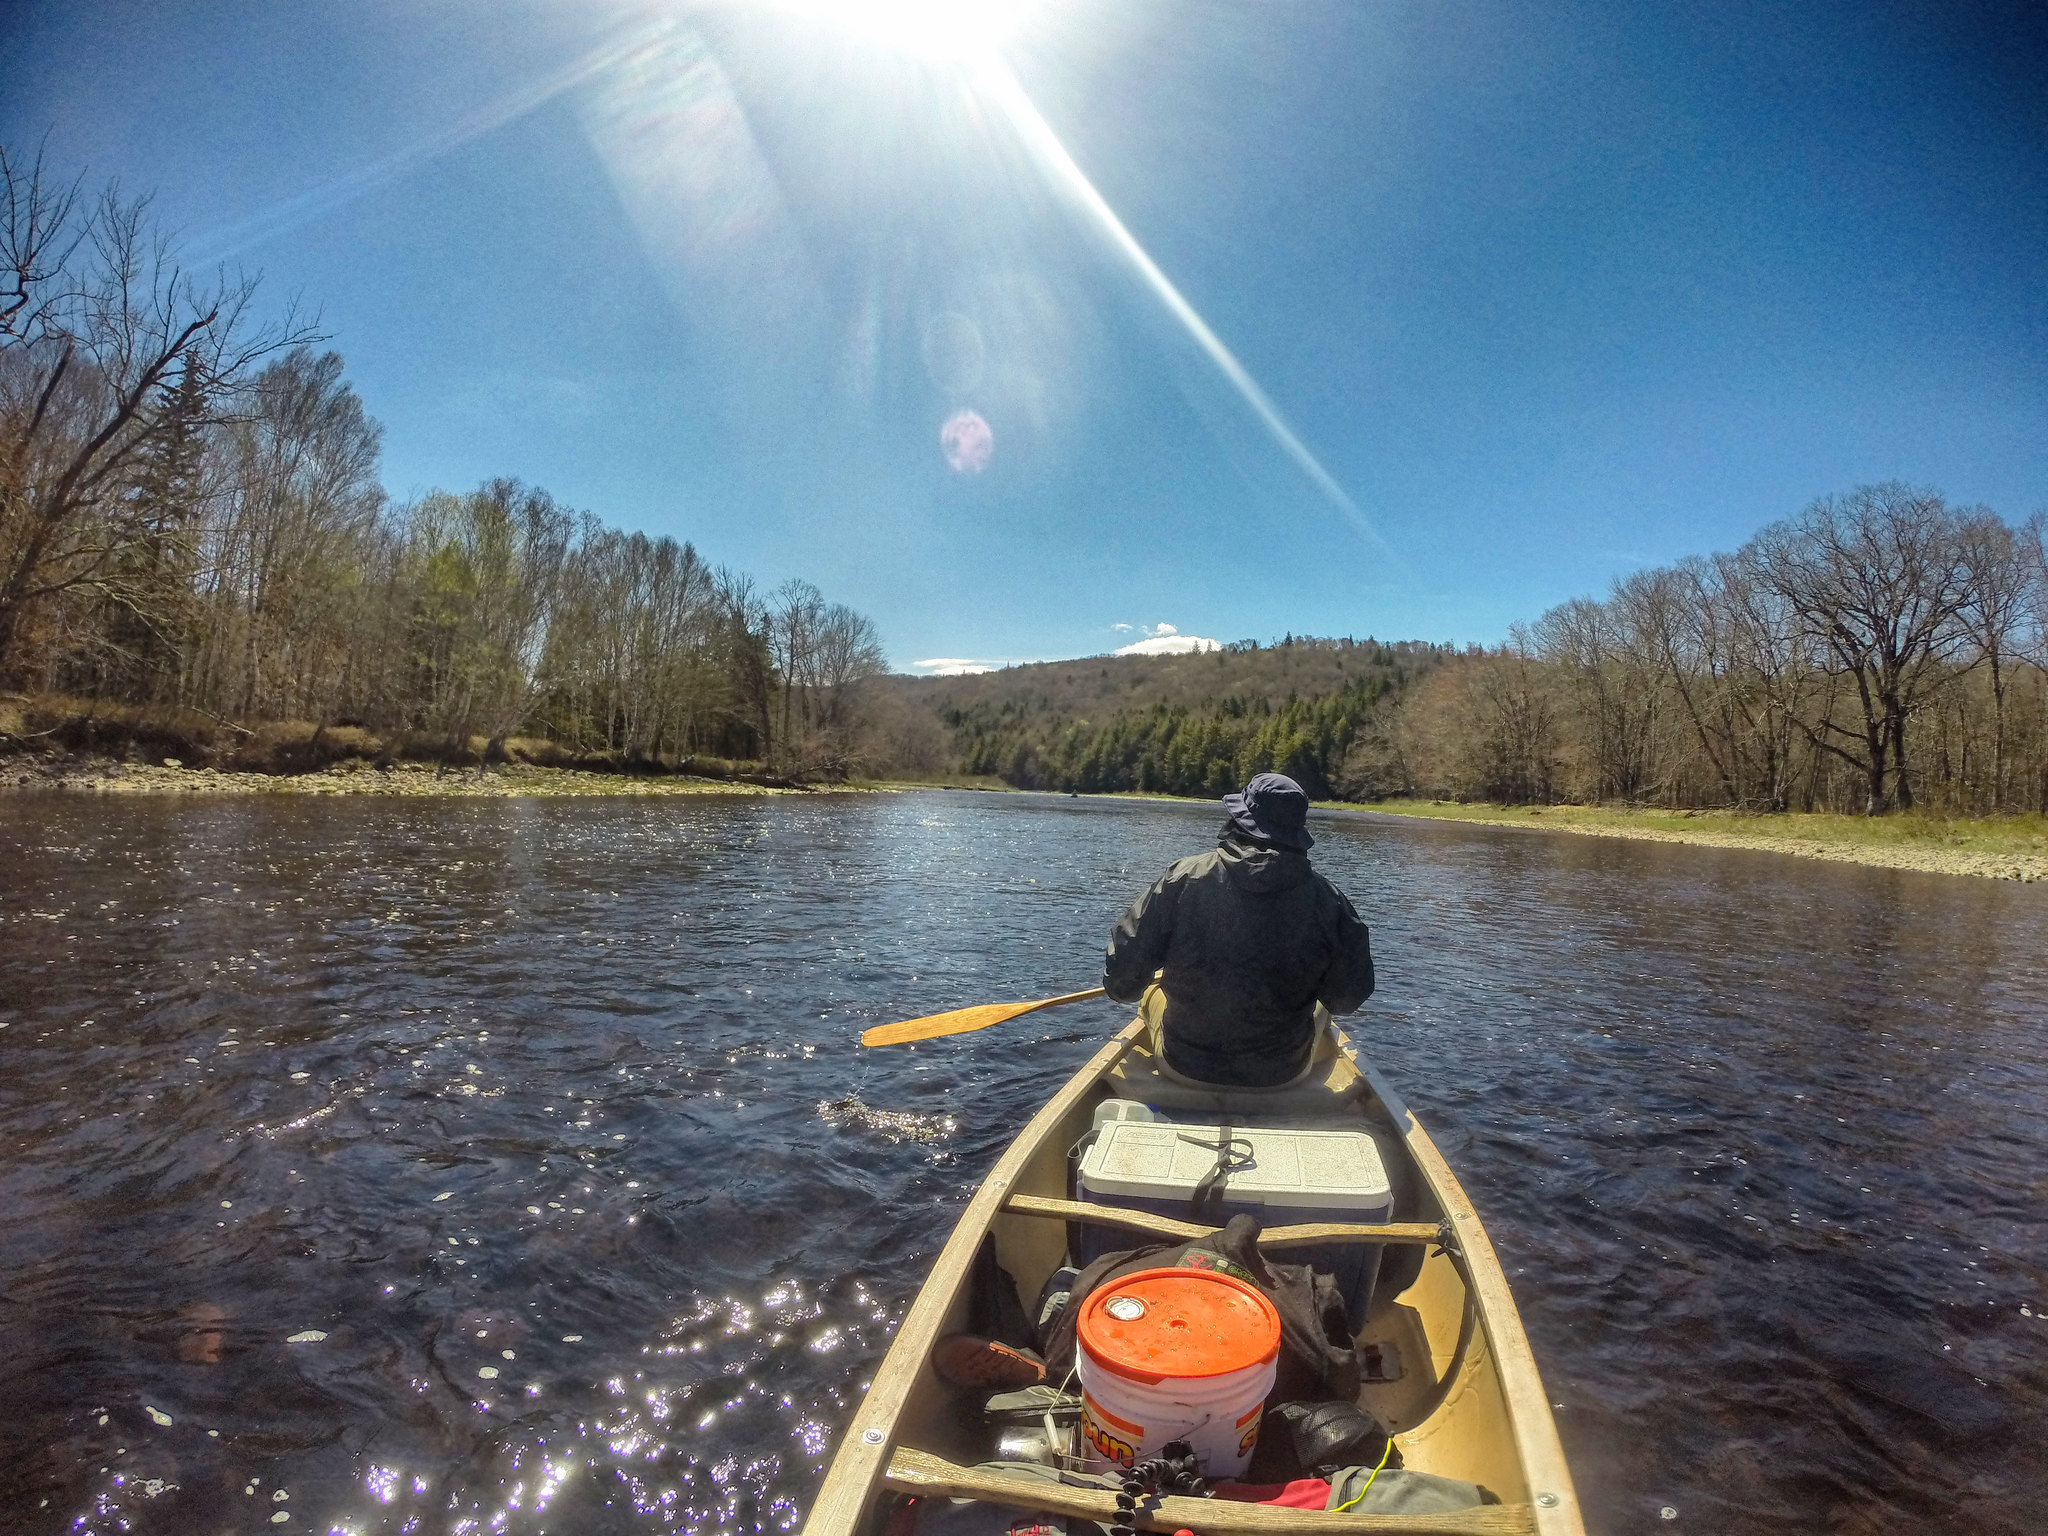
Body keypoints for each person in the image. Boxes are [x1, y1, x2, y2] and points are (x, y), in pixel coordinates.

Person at [1103, 773, 1374, 1088]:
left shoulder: (1182, 878)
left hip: (1185, 1064)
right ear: (1297, 832)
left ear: (1238, 821)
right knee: (1323, 1011)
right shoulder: (1329, 900)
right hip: (1282, 1073)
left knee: (1149, 993)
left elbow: (1121, 984)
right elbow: (1347, 999)